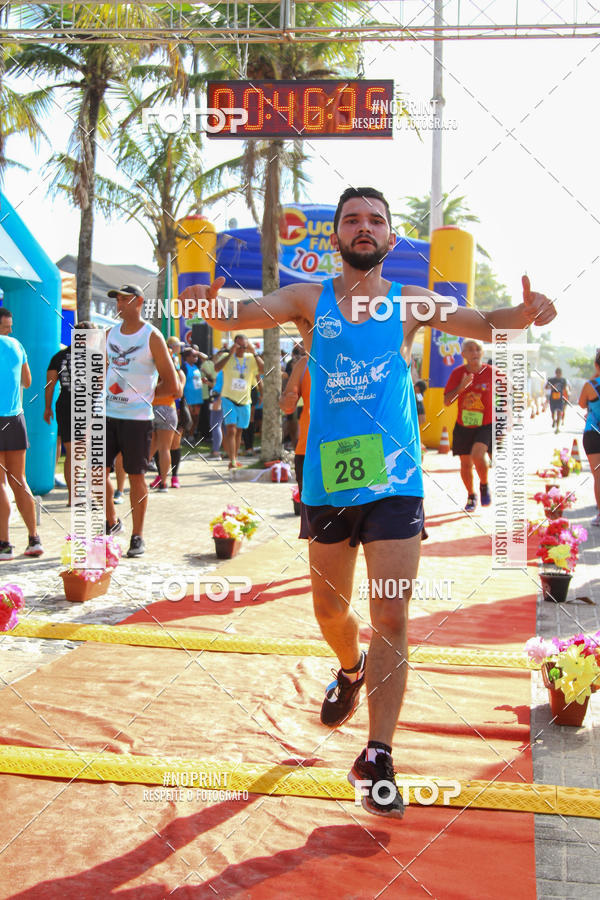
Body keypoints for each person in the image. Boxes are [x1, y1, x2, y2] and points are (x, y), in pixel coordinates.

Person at [181, 186, 556, 819]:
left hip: (395, 481)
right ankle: (350, 668)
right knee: (330, 608)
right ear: (338, 236)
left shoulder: (411, 303)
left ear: (389, 235)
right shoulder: (309, 298)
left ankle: (379, 753)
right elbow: (246, 311)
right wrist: (208, 304)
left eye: (374, 220)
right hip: (330, 482)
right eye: (351, 219)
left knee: (391, 615)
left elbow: (480, 323)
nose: (363, 227)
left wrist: (521, 313)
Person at [105, 285, 179, 557]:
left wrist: (144, 396)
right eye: (117, 299)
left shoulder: (152, 336)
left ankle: (137, 536)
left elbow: (174, 386)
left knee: (137, 476)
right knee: (95, 473)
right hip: (108, 415)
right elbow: (101, 372)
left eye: (124, 299)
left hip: (137, 418)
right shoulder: (109, 334)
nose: (119, 304)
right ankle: (112, 522)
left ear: (139, 302)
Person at [0, 307, 44, 559]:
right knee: (20, 479)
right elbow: (27, 381)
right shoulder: (18, 345)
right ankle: (34, 539)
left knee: (1, 483)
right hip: (15, 418)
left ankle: (4, 544)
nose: (10, 330)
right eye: (7, 326)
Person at [44, 321, 96, 507]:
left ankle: (72, 497)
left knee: (73, 453)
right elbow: (98, 386)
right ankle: (88, 494)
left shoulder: (58, 356)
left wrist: (47, 407)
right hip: (87, 406)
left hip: (65, 405)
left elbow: (50, 386)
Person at [443, 339, 498, 512]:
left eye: (478, 349)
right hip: (463, 425)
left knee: (478, 455)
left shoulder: (493, 373)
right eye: (470, 350)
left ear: (482, 353)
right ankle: (471, 495)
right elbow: (447, 401)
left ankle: (483, 484)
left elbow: (510, 390)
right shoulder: (457, 373)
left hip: (485, 424)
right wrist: (461, 387)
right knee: (465, 465)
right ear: (463, 354)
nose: (474, 353)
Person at [214, 335, 264, 469]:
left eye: (244, 346)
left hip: (245, 399)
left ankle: (234, 458)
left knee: (239, 430)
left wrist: (254, 352)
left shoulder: (250, 358)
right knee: (231, 429)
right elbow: (216, 368)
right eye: (239, 346)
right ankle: (232, 460)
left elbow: (263, 369)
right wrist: (229, 354)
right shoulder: (228, 358)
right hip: (228, 397)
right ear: (234, 345)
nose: (241, 349)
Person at [149, 337, 184, 492]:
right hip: (168, 409)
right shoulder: (175, 373)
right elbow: (178, 393)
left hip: (150, 409)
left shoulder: (151, 370)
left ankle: (137, 478)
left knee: (148, 449)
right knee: (165, 449)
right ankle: (164, 483)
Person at [280, 347, 310, 493]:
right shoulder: (304, 364)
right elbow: (286, 406)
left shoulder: (356, 358)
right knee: (312, 513)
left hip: (353, 448)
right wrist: (286, 401)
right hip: (308, 449)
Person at [578, 349, 600, 526]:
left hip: (593, 434)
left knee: (598, 477)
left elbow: (581, 403)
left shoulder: (589, 385)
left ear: (595, 365)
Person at [546, 367, 569, 433]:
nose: (558, 374)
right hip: (553, 398)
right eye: (557, 373)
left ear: (561, 374)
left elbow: (565, 388)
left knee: (559, 412)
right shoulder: (551, 380)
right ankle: (553, 420)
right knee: (553, 412)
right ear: (555, 373)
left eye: (560, 373)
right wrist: (552, 387)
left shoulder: (563, 380)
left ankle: (557, 428)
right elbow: (546, 387)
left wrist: (566, 393)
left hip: (560, 398)